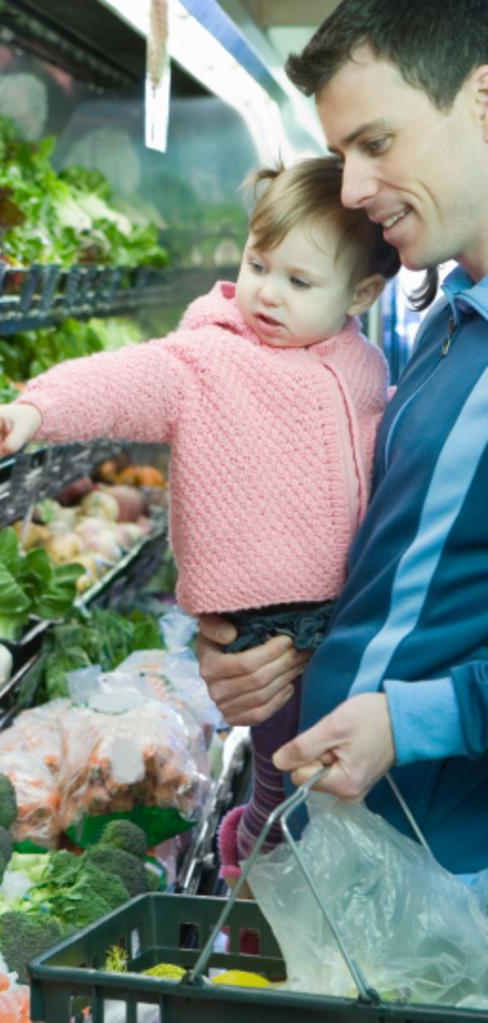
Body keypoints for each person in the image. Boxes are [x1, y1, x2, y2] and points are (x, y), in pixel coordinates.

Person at [0, 156, 399, 877]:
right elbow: (127, 378)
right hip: (263, 617)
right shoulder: (208, 359)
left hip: (347, 608)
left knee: (329, 773)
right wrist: (36, 409)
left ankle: (277, 851)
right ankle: (253, 856)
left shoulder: (364, 365)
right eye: (258, 265)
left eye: (299, 281)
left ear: (364, 292)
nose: (268, 294)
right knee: (286, 766)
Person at [197, 0, 488, 878]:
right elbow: (412, 570)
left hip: (452, 886)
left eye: (376, 143)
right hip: (363, 864)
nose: (353, 190)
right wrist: (276, 644)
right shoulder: (446, 324)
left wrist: (411, 720)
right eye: (341, 155)